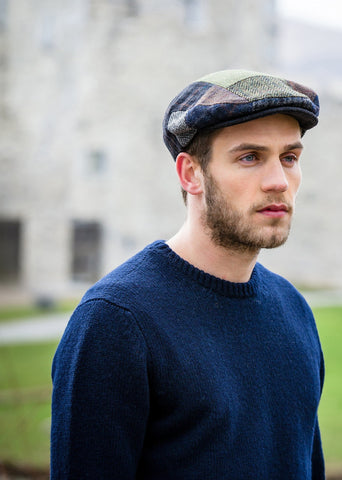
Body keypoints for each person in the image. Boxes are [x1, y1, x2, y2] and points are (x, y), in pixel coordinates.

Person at [51, 69, 325, 479]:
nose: (278, 182)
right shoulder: (116, 321)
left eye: (289, 157)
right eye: (249, 157)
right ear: (190, 174)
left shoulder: (294, 311)